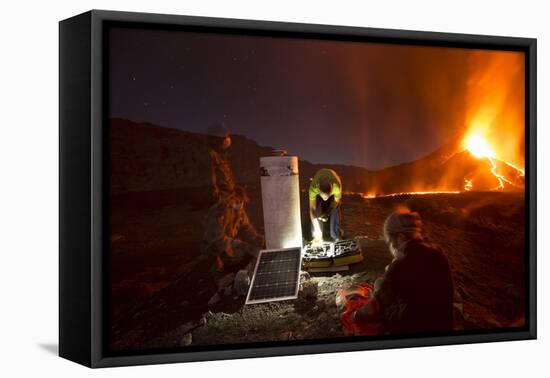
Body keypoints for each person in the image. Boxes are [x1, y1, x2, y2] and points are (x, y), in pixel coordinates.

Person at [353, 209, 454, 334]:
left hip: (417, 330)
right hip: (445, 324)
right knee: (383, 285)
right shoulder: (437, 251)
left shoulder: (401, 264)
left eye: (390, 241)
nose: (391, 246)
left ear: (400, 237)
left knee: (379, 285)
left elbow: (373, 308)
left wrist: (356, 315)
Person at [202, 186, 265, 276]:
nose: (239, 204)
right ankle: (221, 277)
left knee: (249, 251)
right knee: (237, 255)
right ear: (230, 200)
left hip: (227, 243)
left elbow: (246, 228)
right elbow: (217, 240)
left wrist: (256, 238)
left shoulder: (238, 212)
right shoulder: (218, 212)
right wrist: (239, 245)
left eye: (241, 202)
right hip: (213, 248)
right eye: (236, 201)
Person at [308, 168, 343, 242]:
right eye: (323, 196)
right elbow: (312, 208)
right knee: (316, 212)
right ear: (319, 191)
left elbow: (336, 203)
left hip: (334, 180)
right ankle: (317, 237)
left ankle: (336, 235)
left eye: (327, 196)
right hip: (319, 178)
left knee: (335, 210)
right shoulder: (313, 188)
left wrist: (328, 213)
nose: (325, 199)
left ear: (331, 192)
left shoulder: (336, 187)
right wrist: (316, 225)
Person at [207, 122, 235, 202]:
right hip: (223, 198)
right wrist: (219, 196)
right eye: (224, 137)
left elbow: (226, 175)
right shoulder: (212, 155)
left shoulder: (220, 156)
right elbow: (212, 178)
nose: (226, 140)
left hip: (228, 195)